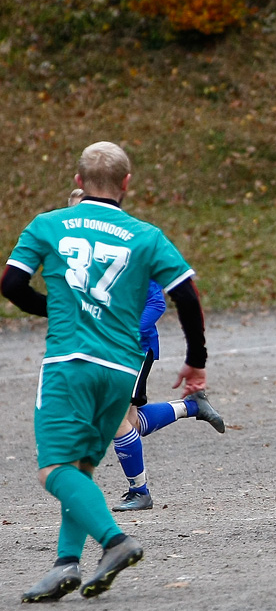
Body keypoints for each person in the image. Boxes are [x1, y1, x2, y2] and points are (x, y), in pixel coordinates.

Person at [2, 141, 211, 602]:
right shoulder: (146, 234)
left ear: (78, 181)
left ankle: (115, 542)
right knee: (82, 467)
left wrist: (56, 311)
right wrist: (196, 360)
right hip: (120, 368)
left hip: (69, 364)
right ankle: (65, 564)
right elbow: (188, 295)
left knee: (54, 470)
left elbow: (12, 284)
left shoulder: (47, 225)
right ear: (126, 184)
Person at [68, 189, 226, 512]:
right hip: (109, 350)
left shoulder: (130, 247)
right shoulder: (82, 256)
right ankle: (192, 407)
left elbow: (156, 302)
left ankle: (140, 491)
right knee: (130, 421)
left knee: (114, 420)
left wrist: (122, 334)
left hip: (134, 348)